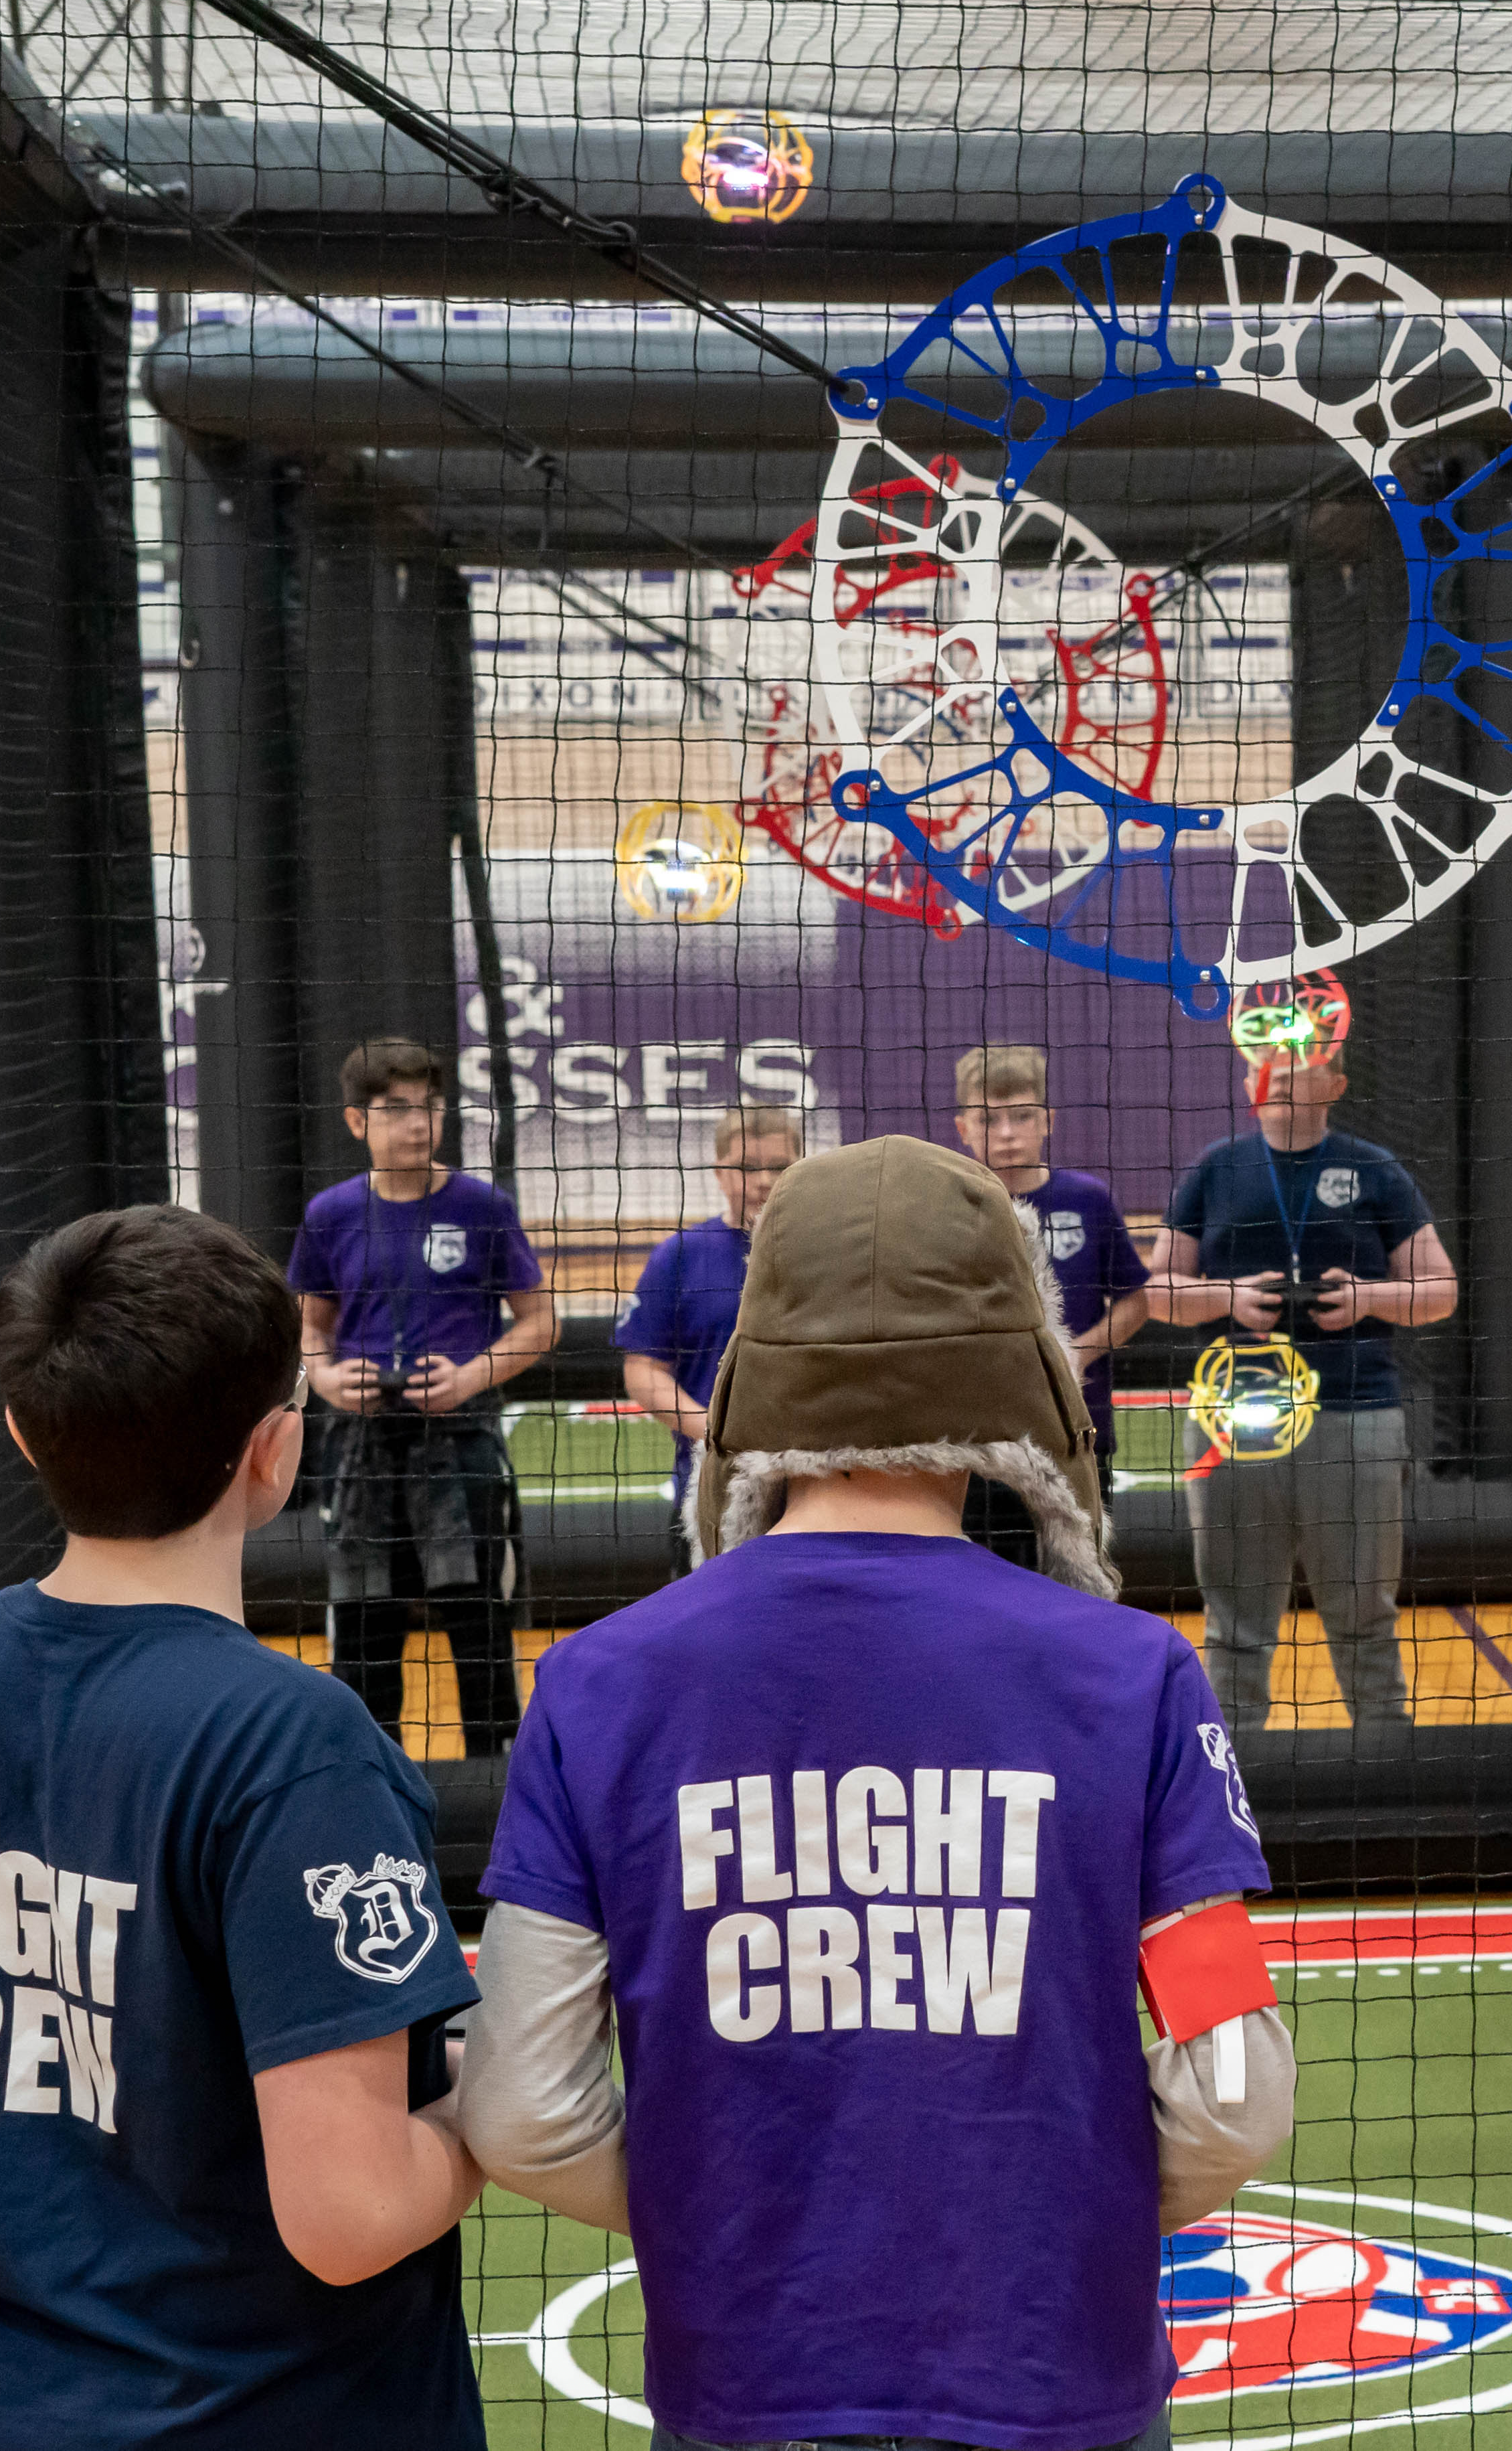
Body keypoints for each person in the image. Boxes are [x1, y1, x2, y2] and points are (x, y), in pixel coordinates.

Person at [456, 1137, 1292, 2451]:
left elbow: (519, 2108)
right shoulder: (1135, 1675)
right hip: (1053, 2375)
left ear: (755, 1364)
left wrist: (736, 2198)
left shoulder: (596, 1684)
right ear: (1018, 1368)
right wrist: (1052, 2197)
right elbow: (1234, 2091)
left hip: (749, 2377)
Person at [0, 1206, 486, 2448]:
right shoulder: (292, 1744)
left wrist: (78, 2124)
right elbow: (350, 2213)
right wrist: (495, 2112)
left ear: (25, 1433)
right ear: (277, 1452)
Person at [1153, 1051, 1456, 1732]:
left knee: (1364, 1616)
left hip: (1353, 1415)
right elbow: (1160, 1290)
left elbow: (1441, 1290)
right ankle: (1233, 1784)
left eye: (1297, 1062)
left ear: (1338, 1085)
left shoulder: (1375, 1168)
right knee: (1235, 1623)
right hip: (1232, 1421)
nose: (1278, 1074)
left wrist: (1367, 1297)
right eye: (1264, 1063)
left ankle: (1387, 1779)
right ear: (1245, 1083)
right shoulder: (1215, 1167)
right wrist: (1229, 1296)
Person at [288, 1036, 555, 1756]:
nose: (417, 1123)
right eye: (396, 1108)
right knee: (367, 1644)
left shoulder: (481, 1207)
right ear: (356, 1121)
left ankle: (497, 1793)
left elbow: (540, 1321)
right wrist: (330, 1379)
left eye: (430, 1106)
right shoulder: (331, 1213)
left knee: (481, 1635)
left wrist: (469, 1376)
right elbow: (312, 1330)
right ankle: (368, 1786)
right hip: (362, 1453)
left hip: (461, 1445)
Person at [953, 1043, 1153, 1571]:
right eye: (989, 1120)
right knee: (981, 1590)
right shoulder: (948, 1204)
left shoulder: (1088, 1200)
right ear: (963, 1128)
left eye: (1023, 1116)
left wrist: (1078, 1355)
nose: (1007, 1132)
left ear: (1049, 1121)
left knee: (1076, 1584)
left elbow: (1137, 1300)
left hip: (1075, 1435)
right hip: (974, 1444)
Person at [620, 1101, 800, 1573]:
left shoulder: (828, 1254)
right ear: (720, 1172)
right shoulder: (678, 1258)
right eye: (746, 1166)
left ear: (801, 1169)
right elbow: (642, 1370)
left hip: (814, 1484)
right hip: (709, 1486)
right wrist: (716, 1432)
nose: (763, 1179)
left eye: (779, 1166)